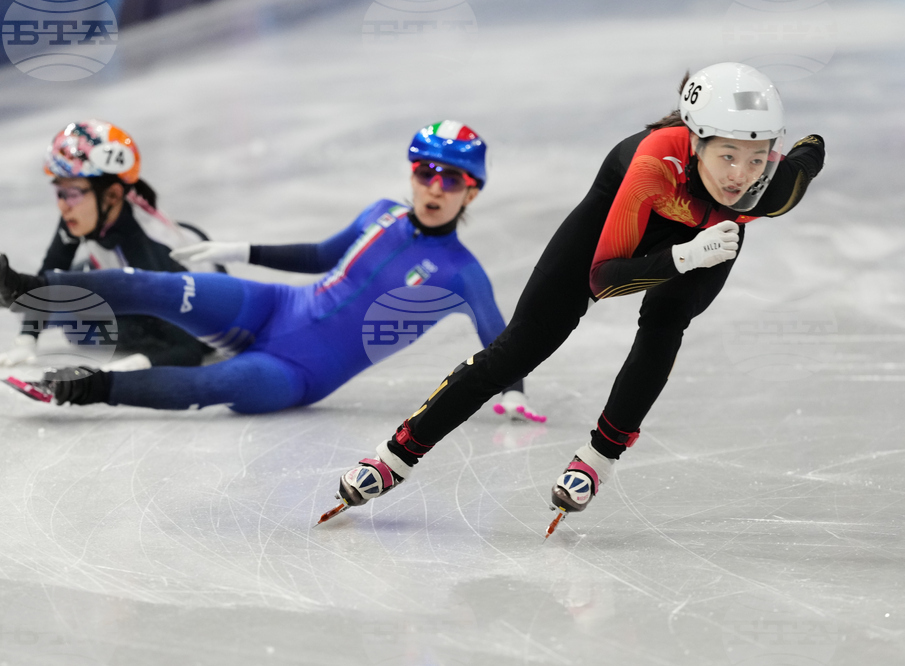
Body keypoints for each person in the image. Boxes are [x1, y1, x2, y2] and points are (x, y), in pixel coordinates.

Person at [324, 63, 827, 526]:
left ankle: (597, 461)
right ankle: (395, 457)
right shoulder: (653, 163)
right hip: (616, 237)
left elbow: (810, 154)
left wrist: (801, 154)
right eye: (727, 155)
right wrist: (685, 256)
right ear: (696, 142)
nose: (741, 174)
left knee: (665, 323)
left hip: (707, 241)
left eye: (757, 157)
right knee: (518, 349)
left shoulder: (773, 187)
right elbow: (604, 281)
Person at [0, 121, 544, 419]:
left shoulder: (462, 273)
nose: (434, 187)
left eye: (451, 180)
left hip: (299, 372)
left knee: (211, 383)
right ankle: (27, 292)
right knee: (160, 288)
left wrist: (512, 392)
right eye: (425, 172)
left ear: (473, 192)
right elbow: (323, 257)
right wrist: (240, 247)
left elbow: (503, 342)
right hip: (277, 306)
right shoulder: (382, 214)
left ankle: (86, 391)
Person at [0, 120, 217, 371]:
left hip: (196, 315)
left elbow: (189, 349)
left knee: (79, 323)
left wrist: (114, 372)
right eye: (59, 192)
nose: (63, 205)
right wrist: (26, 341)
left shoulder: (149, 252)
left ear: (112, 195)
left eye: (72, 193)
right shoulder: (89, 210)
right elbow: (49, 276)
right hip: (134, 278)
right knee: (66, 293)